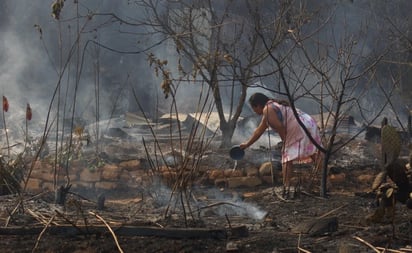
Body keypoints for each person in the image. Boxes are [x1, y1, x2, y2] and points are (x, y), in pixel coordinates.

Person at [240, 92, 322, 198]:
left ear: (258, 105)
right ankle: (325, 178)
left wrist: (285, 142)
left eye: (254, 109)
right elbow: (259, 131)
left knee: (287, 158)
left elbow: (280, 126)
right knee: (311, 151)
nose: (255, 112)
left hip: (298, 127)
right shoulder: (274, 106)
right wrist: (247, 144)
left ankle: (286, 187)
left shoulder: (268, 109)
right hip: (308, 124)